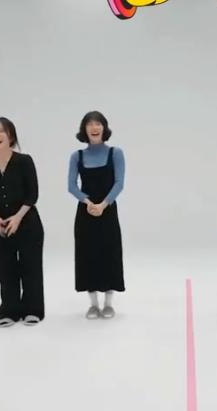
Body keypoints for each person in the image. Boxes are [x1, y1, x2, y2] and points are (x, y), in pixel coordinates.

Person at [0, 117, 44, 327]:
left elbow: (32, 194)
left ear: (11, 137)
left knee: (30, 268)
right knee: (5, 269)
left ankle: (33, 310)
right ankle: (9, 310)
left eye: (2, 131)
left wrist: (17, 218)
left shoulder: (24, 161)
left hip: (27, 222)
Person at [68, 111, 125, 319]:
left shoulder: (115, 153)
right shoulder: (77, 156)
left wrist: (103, 205)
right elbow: (71, 186)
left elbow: (119, 183)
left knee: (109, 254)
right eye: (90, 124)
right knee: (87, 255)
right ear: (84, 129)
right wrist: (89, 203)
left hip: (107, 211)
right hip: (86, 212)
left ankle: (108, 304)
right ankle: (93, 304)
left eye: (98, 123)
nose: (94, 128)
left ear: (104, 127)